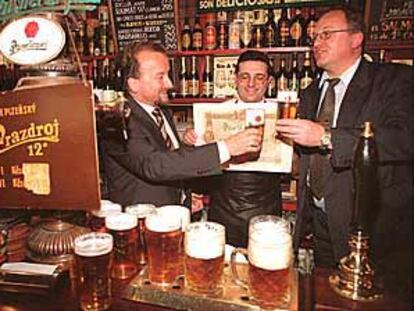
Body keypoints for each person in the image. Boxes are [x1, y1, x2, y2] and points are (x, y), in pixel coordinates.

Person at [276, 6, 413, 298]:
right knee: (329, 300)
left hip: (374, 227)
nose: (316, 42)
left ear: (356, 39)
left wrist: (326, 137)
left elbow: (403, 139)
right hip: (320, 222)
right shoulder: (311, 92)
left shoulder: (393, 79)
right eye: (314, 36)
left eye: (326, 34)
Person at [100, 42, 263, 207]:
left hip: (172, 217)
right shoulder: (115, 120)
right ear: (133, 84)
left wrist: (186, 196)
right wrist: (227, 147)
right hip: (142, 224)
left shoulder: (162, 112)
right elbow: (154, 165)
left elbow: (172, 161)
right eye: (160, 76)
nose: (170, 84)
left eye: (168, 75)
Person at [184, 50, 282, 247]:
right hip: (223, 208)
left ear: (269, 82)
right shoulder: (215, 113)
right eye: (245, 76)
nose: (251, 84)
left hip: (266, 210)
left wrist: (291, 147)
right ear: (235, 79)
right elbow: (197, 169)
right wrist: (190, 142)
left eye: (259, 77)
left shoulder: (283, 116)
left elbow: (296, 168)